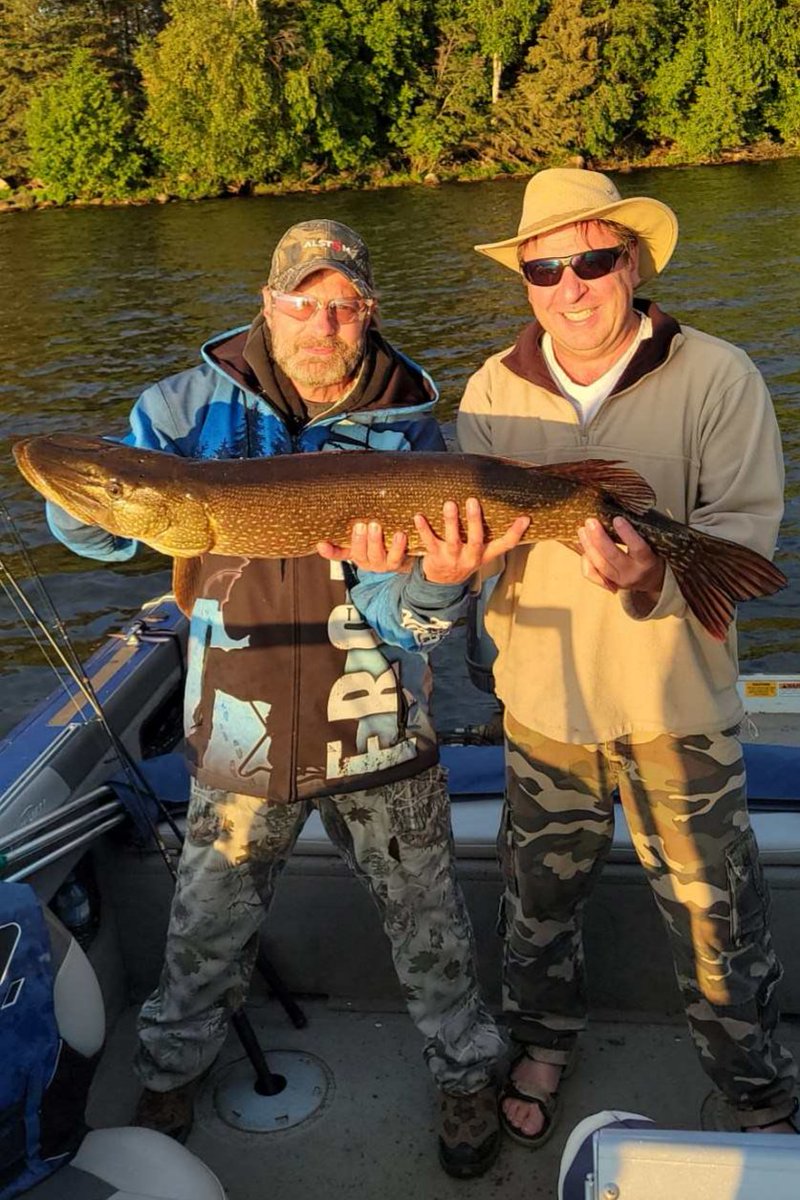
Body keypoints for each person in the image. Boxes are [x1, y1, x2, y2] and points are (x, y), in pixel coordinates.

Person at [45, 219, 525, 1178]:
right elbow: (107, 531)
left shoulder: (406, 429)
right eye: (302, 302)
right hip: (240, 726)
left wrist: (439, 582)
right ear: (268, 303)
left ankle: (467, 1073)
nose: (321, 324)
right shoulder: (181, 408)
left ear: (368, 313)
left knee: (429, 926)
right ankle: (171, 1072)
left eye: (342, 306)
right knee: (204, 928)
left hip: (376, 723)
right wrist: (80, 499)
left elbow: (405, 622)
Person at [452, 168, 798, 1146]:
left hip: (674, 706)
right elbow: (473, 558)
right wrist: (450, 569)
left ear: (632, 264)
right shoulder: (490, 387)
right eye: (545, 269)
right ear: (526, 282)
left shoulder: (718, 374)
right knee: (536, 900)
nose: (570, 287)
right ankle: (543, 1041)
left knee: (716, 916)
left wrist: (654, 573)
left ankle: (756, 1090)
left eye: (593, 260)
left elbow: (743, 537)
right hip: (543, 707)